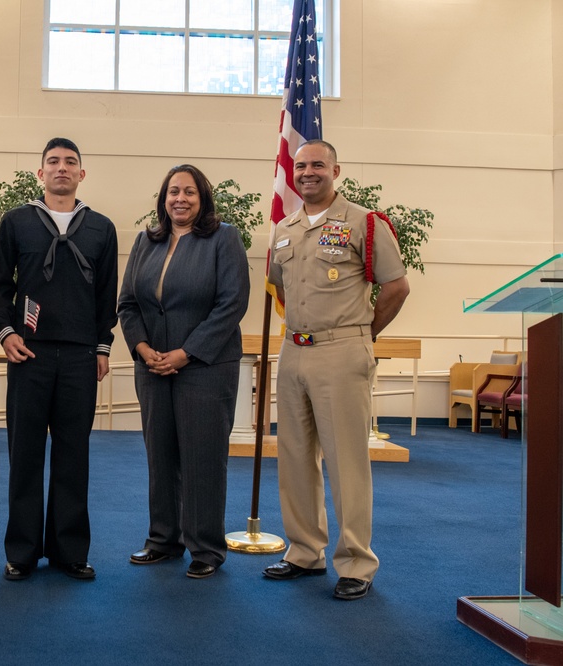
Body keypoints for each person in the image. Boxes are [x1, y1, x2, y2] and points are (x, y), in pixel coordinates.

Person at [264, 139, 410, 600]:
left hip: (342, 351)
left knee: (347, 460)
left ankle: (355, 563)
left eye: (317, 165)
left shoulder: (364, 222)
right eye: (301, 165)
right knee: (294, 457)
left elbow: (396, 287)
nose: (308, 172)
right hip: (294, 351)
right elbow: (283, 289)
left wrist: (363, 334)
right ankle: (304, 551)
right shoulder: (284, 228)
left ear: (335, 169)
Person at [0, 138, 118, 582]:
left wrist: (102, 346)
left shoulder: (101, 228)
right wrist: (6, 335)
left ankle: (69, 551)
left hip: (80, 357)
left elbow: (106, 295)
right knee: (24, 454)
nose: (62, 168)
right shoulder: (16, 222)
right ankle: (21, 552)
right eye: (53, 162)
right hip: (29, 355)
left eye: (71, 162)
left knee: (73, 455)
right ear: (40, 174)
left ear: (83, 173)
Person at [117, 165, 250, 579]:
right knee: (161, 455)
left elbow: (232, 303)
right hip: (152, 366)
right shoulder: (145, 241)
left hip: (205, 368)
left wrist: (185, 353)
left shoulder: (223, 238)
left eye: (189, 192)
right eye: (173, 191)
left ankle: (206, 548)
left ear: (203, 198)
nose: (180, 199)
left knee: (203, 458)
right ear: (163, 198)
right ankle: (163, 540)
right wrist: (142, 348)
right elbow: (128, 304)